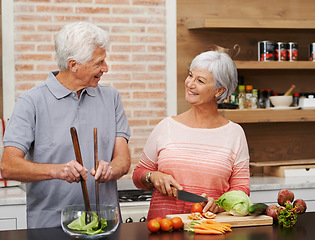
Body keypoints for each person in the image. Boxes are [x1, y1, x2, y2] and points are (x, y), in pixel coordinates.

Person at [0, 22, 131, 228]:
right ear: (73, 64)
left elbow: (123, 159)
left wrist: (112, 169)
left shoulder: (111, 98)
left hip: (106, 224)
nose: (105, 68)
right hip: (50, 226)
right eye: (99, 62)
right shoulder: (31, 102)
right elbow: (8, 166)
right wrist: (56, 171)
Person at [132, 49, 250, 220]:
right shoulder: (166, 127)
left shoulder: (235, 133)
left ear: (219, 90)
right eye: (190, 76)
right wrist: (153, 176)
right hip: (164, 229)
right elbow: (138, 175)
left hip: (210, 229)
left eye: (200, 80)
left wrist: (222, 203)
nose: (190, 84)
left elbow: (241, 188)